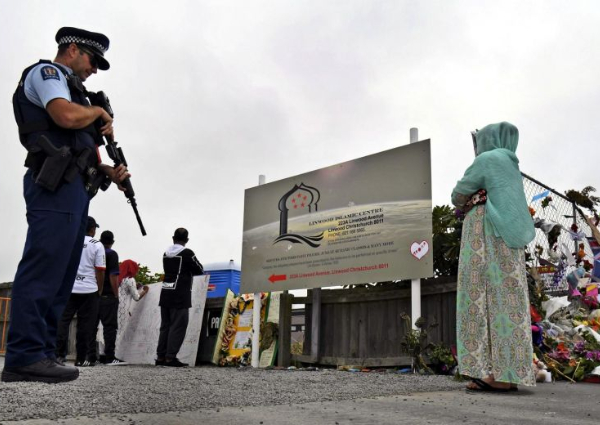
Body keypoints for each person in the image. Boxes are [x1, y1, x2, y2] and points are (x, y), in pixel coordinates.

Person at [2, 27, 129, 383]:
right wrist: (98, 111)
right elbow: (65, 118)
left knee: (60, 275)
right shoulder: (49, 75)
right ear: (72, 49)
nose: (94, 70)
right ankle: (24, 355)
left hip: (74, 187)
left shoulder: (77, 92)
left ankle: (40, 355)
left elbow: (77, 144)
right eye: (92, 60)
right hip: (54, 184)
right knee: (44, 268)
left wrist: (107, 170)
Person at [451, 122, 536, 392]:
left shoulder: (487, 159)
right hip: (510, 241)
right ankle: (508, 374)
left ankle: (488, 372)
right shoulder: (511, 164)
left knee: (478, 295)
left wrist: (470, 198)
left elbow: (458, 194)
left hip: (485, 232)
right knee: (507, 302)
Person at [55, 216, 105, 367]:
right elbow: (100, 270)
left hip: (69, 288)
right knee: (85, 325)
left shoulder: (70, 241)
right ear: (92, 230)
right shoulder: (97, 245)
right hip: (89, 290)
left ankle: (57, 355)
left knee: (62, 321)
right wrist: (100, 289)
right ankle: (81, 358)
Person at [156, 228, 204, 367]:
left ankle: (160, 357)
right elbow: (199, 269)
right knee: (178, 326)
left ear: (173, 238)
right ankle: (170, 358)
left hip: (166, 292)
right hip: (180, 293)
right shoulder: (187, 253)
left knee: (165, 326)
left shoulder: (165, 253)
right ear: (187, 240)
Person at [94, 230, 127, 365]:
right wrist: (116, 294)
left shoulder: (94, 251)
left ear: (100, 240)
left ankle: (89, 356)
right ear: (112, 242)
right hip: (107, 294)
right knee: (109, 327)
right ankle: (109, 356)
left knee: (91, 326)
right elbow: (113, 276)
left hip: (92, 294)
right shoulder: (111, 254)